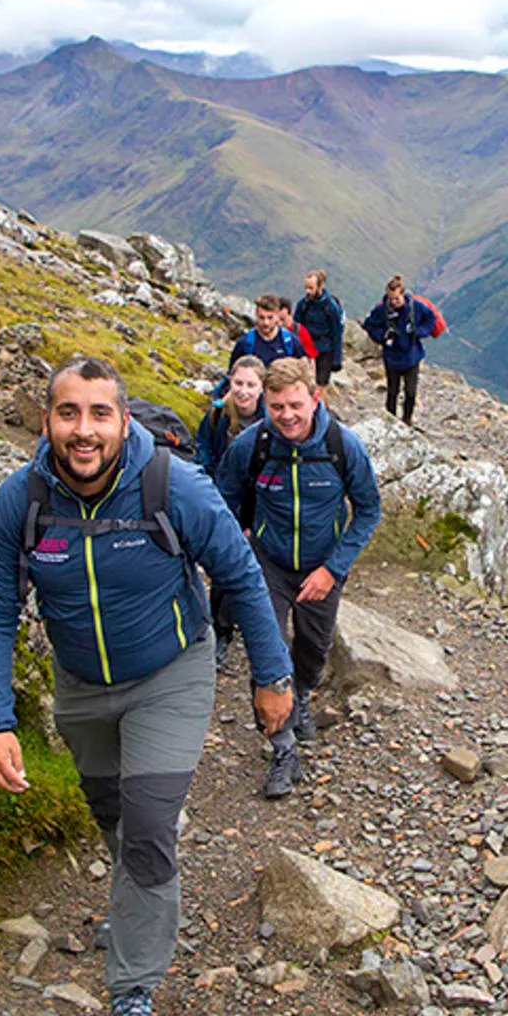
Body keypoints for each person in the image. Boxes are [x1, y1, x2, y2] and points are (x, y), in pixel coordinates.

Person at [0, 356, 294, 1016]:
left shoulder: (172, 486)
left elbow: (240, 574)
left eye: (98, 414)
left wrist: (272, 676)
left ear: (121, 420)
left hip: (171, 673)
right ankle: (140, 890)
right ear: (46, 420)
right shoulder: (20, 503)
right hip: (82, 687)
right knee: (116, 822)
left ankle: (133, 991)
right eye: (68, 413)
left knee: (145, 828)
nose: (82, 431)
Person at [215, 357, 381, 799]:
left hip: (321, 564)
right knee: (266, 648)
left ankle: (303, 693)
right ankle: (282, 745)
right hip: (266, 563)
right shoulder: (252, 446)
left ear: (315, 398)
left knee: (313, 645)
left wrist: (332, 568)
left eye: (294, 404)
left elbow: (368, 510)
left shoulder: (343, 447)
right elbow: (222, 499)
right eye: (275, 407)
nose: (286, 415)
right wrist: (239, 549)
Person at [195, 354, 267, 672]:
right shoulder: (218, 415)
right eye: (239, 383)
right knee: (225, 564)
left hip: (260, 502)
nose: (243, 391)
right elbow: (203, 450)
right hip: (223, 500)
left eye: (251, 385)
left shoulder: (271, 417)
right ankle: (221, 632)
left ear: (262, 388)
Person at [360, 274, 441, 427]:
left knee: (410, 392)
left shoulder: (416, 307)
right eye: (391, 299)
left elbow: (431, 319)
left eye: (396, 299)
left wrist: (420, 332)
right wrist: (383, 336)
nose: (394, 302)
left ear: (403, 294)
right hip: (392, 357)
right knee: (392, 391)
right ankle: (390, 421)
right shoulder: (381, 310)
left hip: (412, 356)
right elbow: (369, 326)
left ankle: (407, 420)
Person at [228, 293, 315, 371]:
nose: (266, 322)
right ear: (256, 316)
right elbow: (233, 373)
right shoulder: (245, 343)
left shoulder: (291, 342)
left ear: (277, 316)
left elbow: (305, 369)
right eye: (261, 318)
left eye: (270, 318)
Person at [293, 269, 346, 390]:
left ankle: (321, 407)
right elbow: (296, 327)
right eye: (306, 287)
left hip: (325, 350)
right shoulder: (303, 304)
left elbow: (337, 333)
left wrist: (337, 359)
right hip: (307, 348)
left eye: (311, 288)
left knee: (320, 386)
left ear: (320, 286)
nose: (307, 291)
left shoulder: (330, 307)